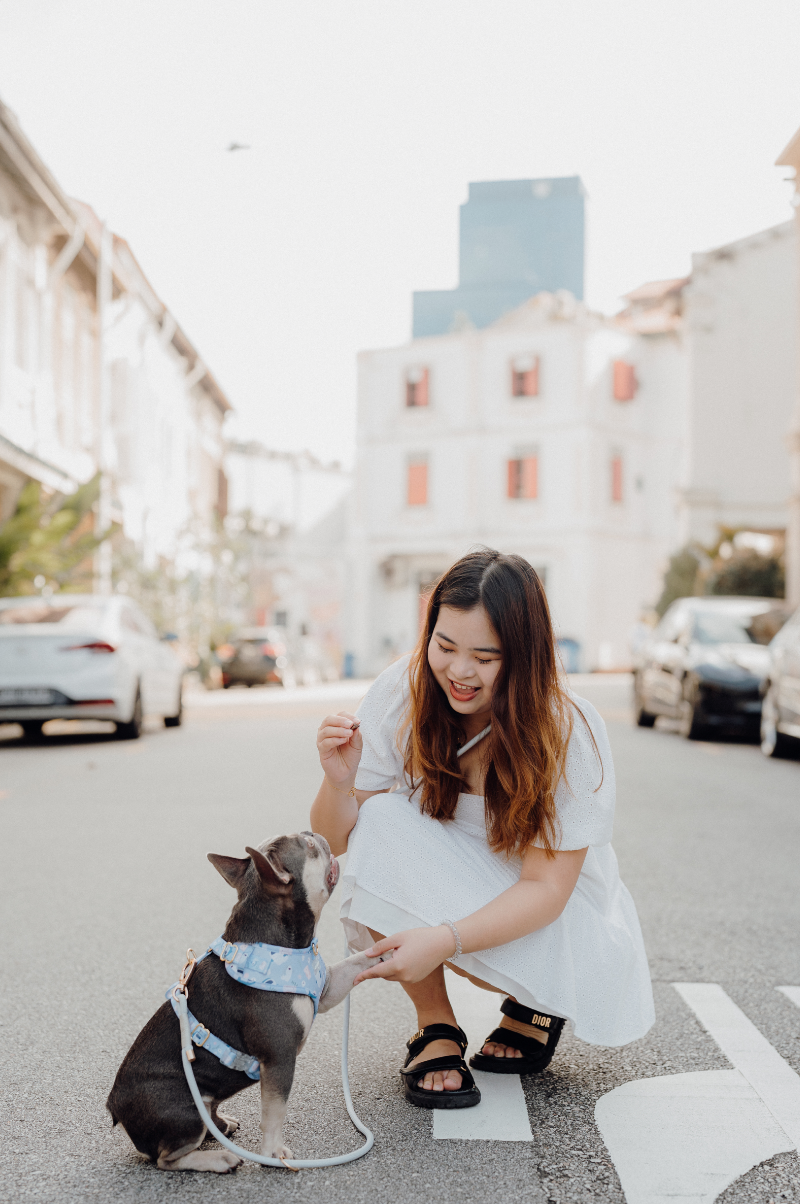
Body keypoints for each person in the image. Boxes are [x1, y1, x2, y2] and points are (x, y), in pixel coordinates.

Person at [311, 549, 654, 1110]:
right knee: (380, 816)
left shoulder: (568, 730)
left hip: (554, 917)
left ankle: (533, 1003)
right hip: (469, 889)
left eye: (485, 657)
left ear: (524, 656)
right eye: (444, 647)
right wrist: (338, 783)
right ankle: (436, 1027)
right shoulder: (406, 688)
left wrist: (442, 939)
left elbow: (546, 890)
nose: (459, 672)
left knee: (532, 952)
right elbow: (341, 840)